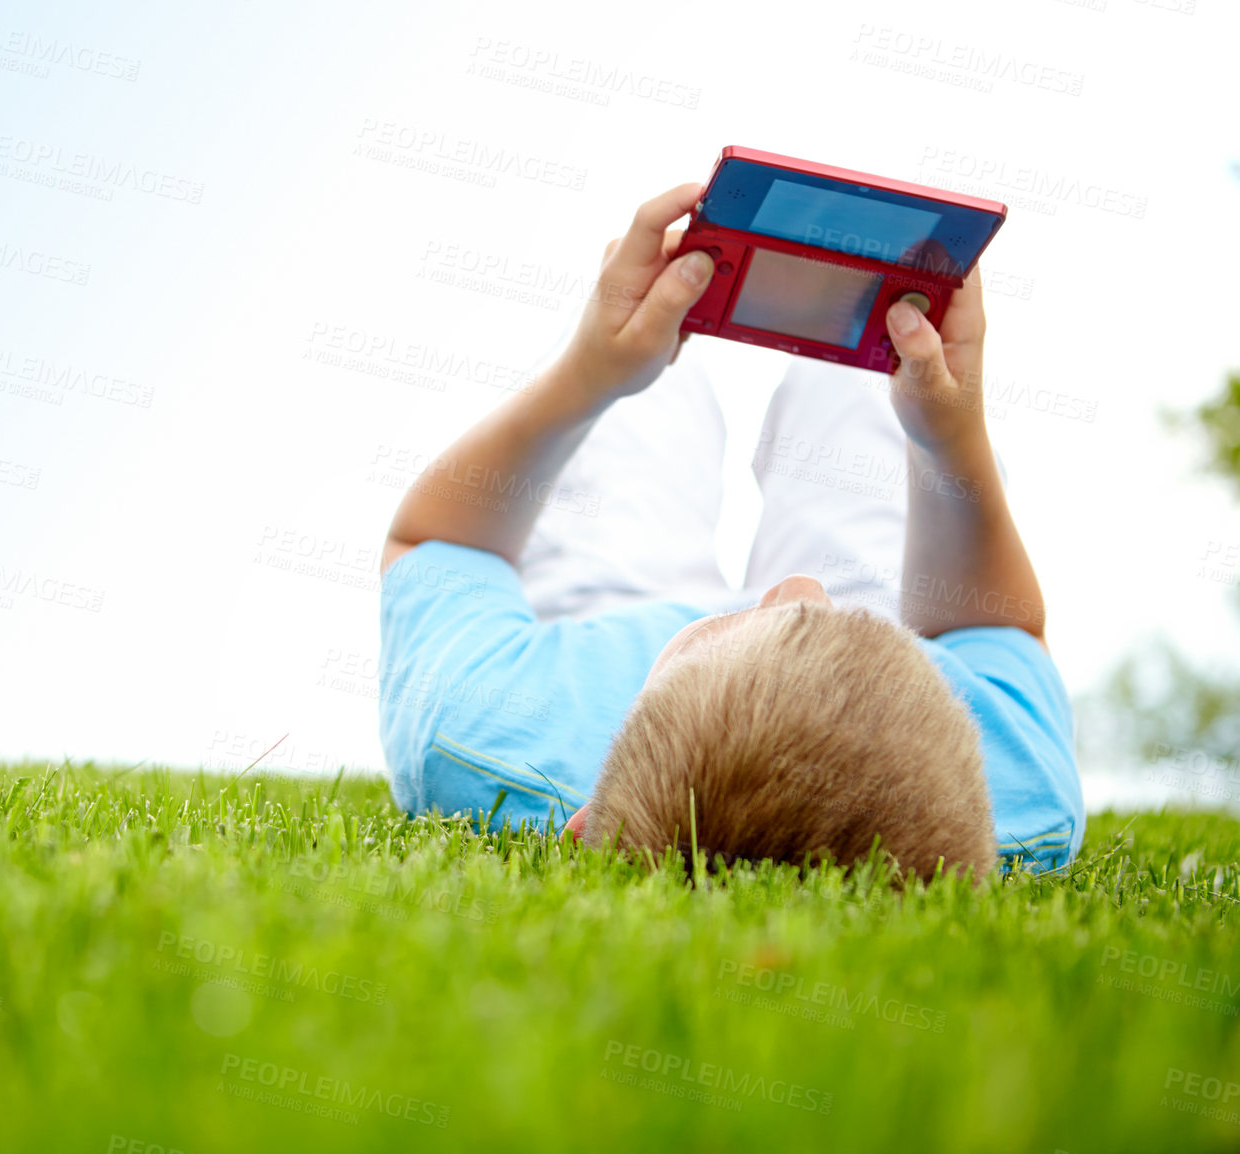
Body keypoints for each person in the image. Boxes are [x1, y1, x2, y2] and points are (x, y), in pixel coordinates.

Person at [376, 182, 1082, 877]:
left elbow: (436, 542)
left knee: (635, 351)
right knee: (870, 370)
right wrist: (948, 445)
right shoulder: (1016, 800)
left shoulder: (486, 737)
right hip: (871, 660)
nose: (798, 588)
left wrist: (590, 376)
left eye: (756, 617)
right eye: (827, 618)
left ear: (588, 823)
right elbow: (995, 628)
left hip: (611, 606)